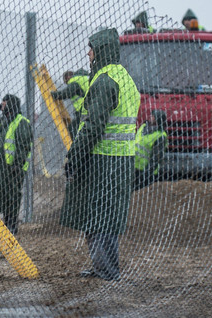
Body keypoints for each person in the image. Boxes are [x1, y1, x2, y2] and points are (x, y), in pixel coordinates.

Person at [60, 27, 140, 281]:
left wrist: (75, 157)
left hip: (104, 158)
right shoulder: (124, 77)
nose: (88, 53)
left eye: (91, 49)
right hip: (122, 159)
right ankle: (104, 267)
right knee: (108, 214)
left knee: (99, 215)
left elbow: (93, 127)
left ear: (101, 51)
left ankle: (106, 270)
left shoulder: (105, 81)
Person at [0, 94, 32, 234]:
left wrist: (17, 165)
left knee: (12, 196)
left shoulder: (21, 122)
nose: (2, 106)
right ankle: (5, 224)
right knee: (1, 196)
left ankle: (12, 225)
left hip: (12, 168)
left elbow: (23, 146)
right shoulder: (3, 122)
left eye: (4, 104)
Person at [134, 110, 168, 191]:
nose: (151, 117)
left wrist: (146, 173)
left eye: (153, 116)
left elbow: (156, 158)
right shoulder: (143, 127)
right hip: (134, 167)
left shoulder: (160, 135)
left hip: (146, 172)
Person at [51, 69, 90, 139]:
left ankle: (77, 145)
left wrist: (53, 94)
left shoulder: (75, 80)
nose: (68, 84)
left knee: (72, 129)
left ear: (68, 78)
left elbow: (66, 93)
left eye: (67, 82)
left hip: (84, 110)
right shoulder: (86, 78)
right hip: (91, 107)